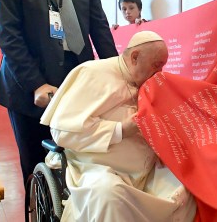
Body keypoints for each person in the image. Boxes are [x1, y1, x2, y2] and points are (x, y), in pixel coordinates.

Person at [0, 0, 118, 219]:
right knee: (36, 164)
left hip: (76, 82)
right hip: (29, 87)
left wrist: (118, 71)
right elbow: (8, 33)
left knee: (80, 164)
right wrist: (36, 84)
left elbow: (99, 26)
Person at [40, 31, 196, 221]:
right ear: (135, 57)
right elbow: (62, 132)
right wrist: (120, 130)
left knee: (186, 187)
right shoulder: (92, 73)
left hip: (145, 171)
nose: (160, 73)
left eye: (163, 66)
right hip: (95, 167)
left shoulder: (150, 82)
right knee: (109, 194)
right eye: (156, 65)